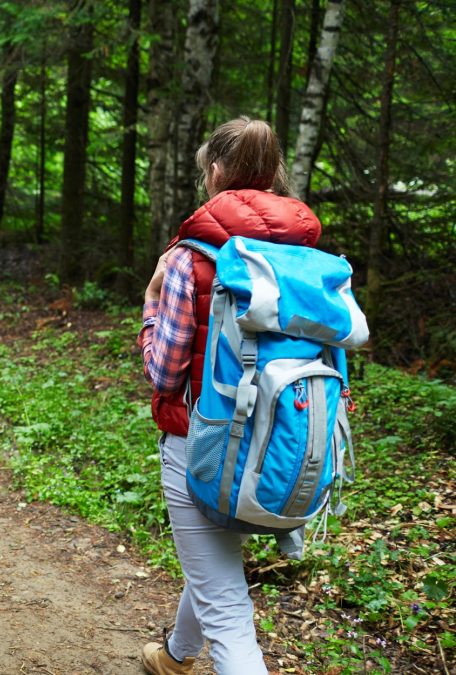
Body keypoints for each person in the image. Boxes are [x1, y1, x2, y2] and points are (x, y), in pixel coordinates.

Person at [138, 117, 321, 674]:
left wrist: (149, 316)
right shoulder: (306, 259)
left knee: (225, 605)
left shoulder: (188, 257)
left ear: (214, 172)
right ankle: (175, 656)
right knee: (217, 562)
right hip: (286, 440)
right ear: (274, 174)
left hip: (201, 440)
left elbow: (166, 373)